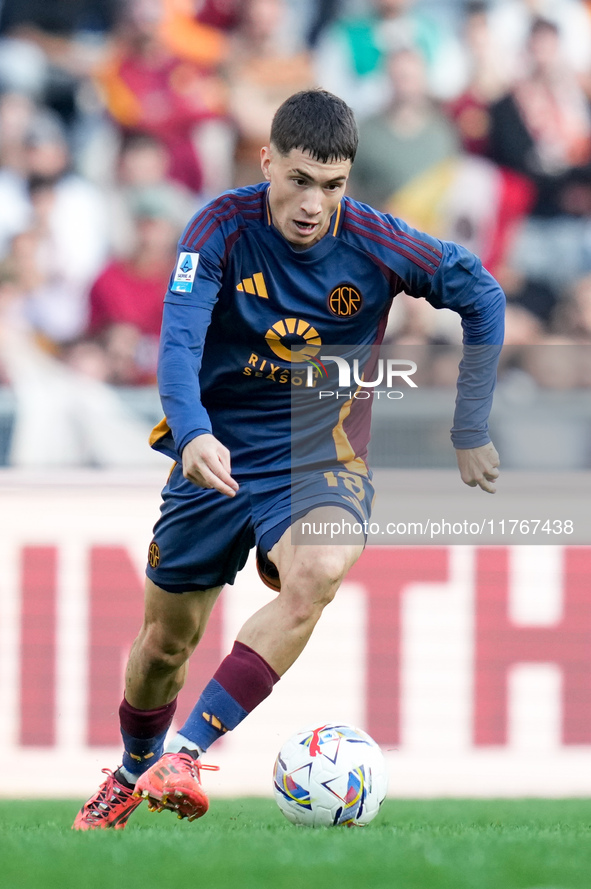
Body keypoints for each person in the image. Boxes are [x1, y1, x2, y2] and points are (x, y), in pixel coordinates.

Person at [72, 88, 504, 830]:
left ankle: (187, 749)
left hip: (318, 454)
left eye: (332, 186)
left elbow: (482, 296)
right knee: (163, 646)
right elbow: (176, 342)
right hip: (214, 453)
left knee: (319, 570)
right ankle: (133, 768)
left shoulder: (378, 242)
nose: (314, 204)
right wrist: (193, 431)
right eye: (299, 179)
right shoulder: (218, 228)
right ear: (266, 159)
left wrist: (469, 426)